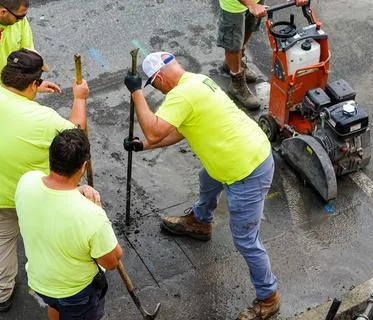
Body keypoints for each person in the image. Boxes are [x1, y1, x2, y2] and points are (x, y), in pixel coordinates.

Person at [123, 52, 279, 320]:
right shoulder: (197, 81)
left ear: (159, 78)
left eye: (153, 85)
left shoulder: (182, 95)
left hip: (246, 170)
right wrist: (143, 146)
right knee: (208, 177)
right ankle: (200, 221)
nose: (156, 90)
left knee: (246, 240)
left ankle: (268, 297)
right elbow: (181, 130)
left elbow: (154, 129)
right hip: (240, 153)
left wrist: (137, 93)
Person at [0, 48, 89, 312]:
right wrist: (80, 99)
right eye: (37, 82)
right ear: (33, 83)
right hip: (26, 195)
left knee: (0, 239)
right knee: (44, 237)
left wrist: (32, 90)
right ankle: (50, 284)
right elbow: (76, 138)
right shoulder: (43, 120)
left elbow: (5, 99)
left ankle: (2, 294)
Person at [15, 128, 122, 320]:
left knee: (54, 306)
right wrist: (97, 210)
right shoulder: (91, 216)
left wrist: (79, 190)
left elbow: (54, 193)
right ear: (82, 167)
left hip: (40, 281)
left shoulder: (26, 182)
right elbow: (112, 261)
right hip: (75, 292)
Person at [218, 0, 309, 110]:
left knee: (249, 26)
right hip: (233, 5)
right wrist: (252, 5)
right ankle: (236, 82)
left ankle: (231, 64)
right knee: (233, 41)